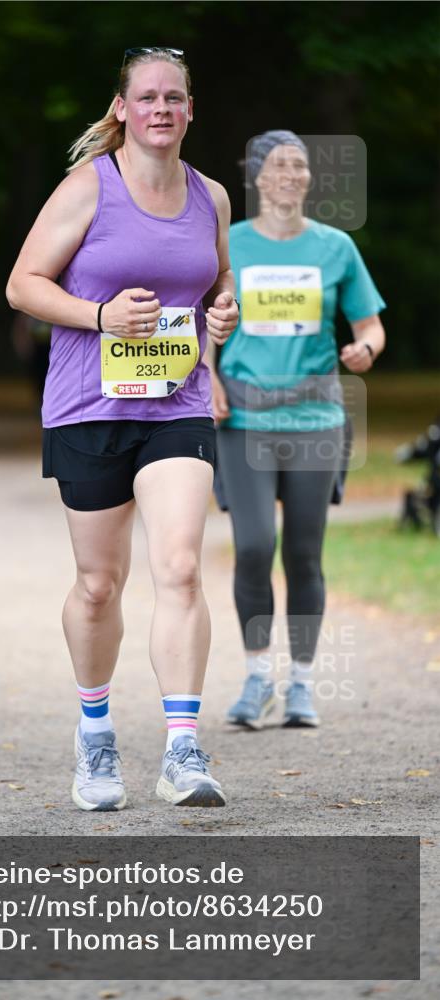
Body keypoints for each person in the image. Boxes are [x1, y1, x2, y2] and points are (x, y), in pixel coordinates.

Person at [7, 47, 239, 810]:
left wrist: (222, 316)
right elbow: (23, 286)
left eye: (174, 97)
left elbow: (216, 280)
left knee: (178, 567)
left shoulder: (210, 196)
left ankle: (181, 749)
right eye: (146, 98)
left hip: (174, 404)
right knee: (100, 585)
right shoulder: (88, 188)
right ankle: (95, 731)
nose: (161, 109)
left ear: (190, 109)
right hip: (90, 407)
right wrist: (101, 316)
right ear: (122, 110)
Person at [211, 130, 386, 729]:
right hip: (243, 419)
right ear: (257, 176)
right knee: (255, 545)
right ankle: (258, 676)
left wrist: (364, 346)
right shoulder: (227, 246)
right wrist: (206, 377)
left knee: (305, 556)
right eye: (279, 165)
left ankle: (303, 685)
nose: (292, 174)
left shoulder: (335, 248)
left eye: (300, 166)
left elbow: (371, 325)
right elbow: (202, 321)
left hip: (316, 419)